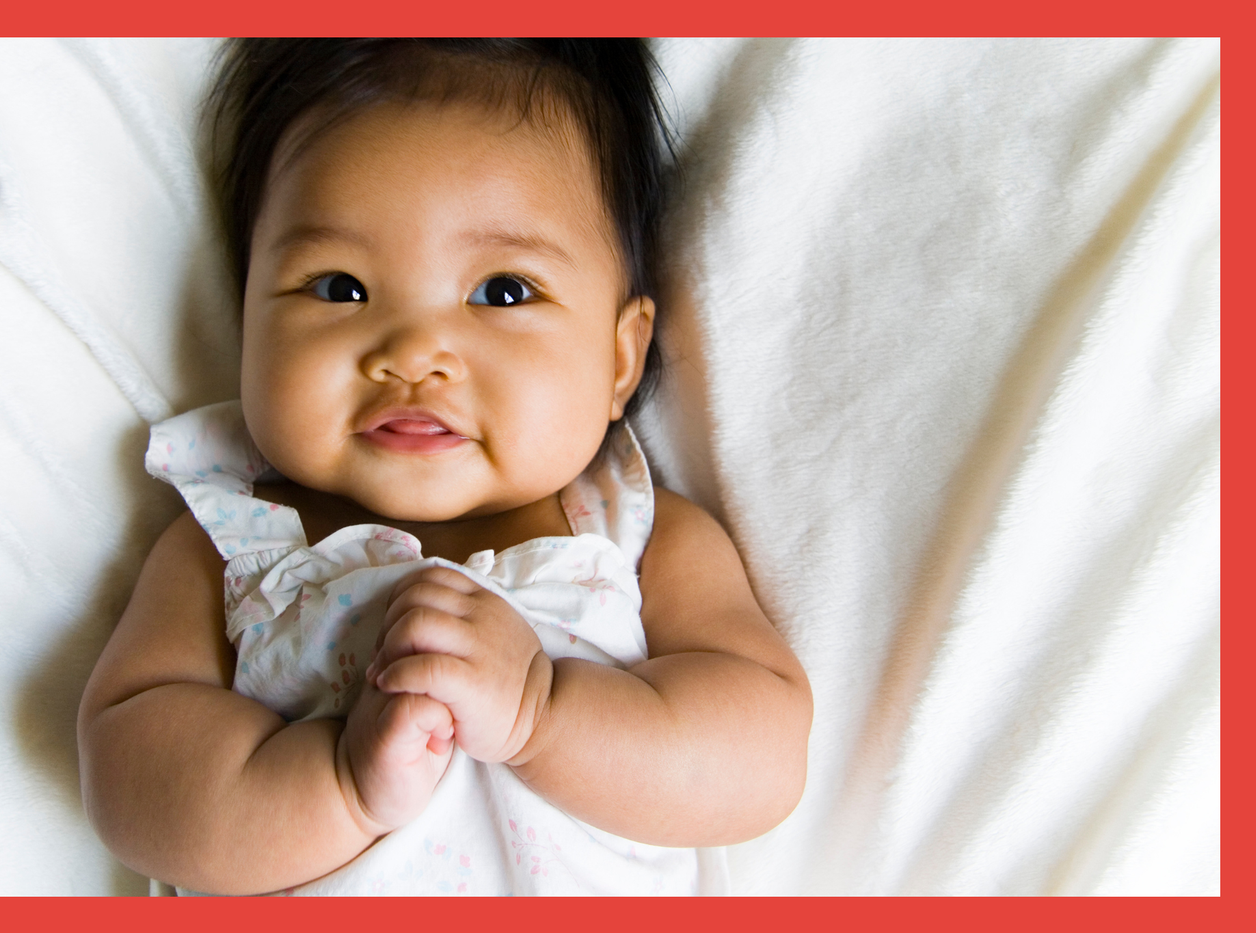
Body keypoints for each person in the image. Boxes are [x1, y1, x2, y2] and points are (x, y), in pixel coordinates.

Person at [77, 38, 812, 896]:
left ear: (619, 360)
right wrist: (338, 787)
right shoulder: (232, 544)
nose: (415, 353)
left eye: (502, 291)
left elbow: (761, 756)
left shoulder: (634, 532)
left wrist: (543, 713)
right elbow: (128, 772)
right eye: (340, 287)